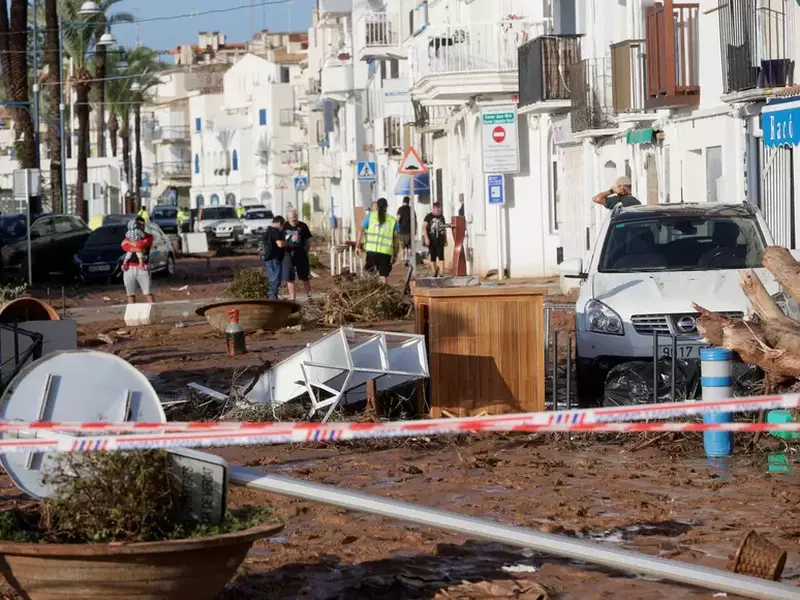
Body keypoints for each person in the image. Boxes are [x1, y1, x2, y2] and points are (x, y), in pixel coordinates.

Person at [357, 197, 399, 284]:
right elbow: (396, 239)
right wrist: (395, 255)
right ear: (386, 207)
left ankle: (370, 293)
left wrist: (357, 245)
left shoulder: (370, 217)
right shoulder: (392, 220)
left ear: (377, 206)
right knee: (383, 276)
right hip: (385, 253)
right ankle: (384, 293)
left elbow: (360, 229)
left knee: (369, 274)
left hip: (371, 251)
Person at [121, 217, 154, 304]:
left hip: (142, 268)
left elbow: (140, 246)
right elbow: (124, 246)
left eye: (143, 225)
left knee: (148, 292)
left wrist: (130, 244)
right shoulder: (129, 235)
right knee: (130, 293)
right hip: (129, 267)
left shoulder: (148, 237)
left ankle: (153, 311)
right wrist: (137, 248)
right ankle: (132, 312)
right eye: (139, 225)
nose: (141, 227)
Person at [282, 208, 313, 301]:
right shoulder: (284, 226)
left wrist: (307, 249)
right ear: (288, 217)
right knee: (289, 276)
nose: (293, 219)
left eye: (294, 217)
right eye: (291, 217)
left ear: (297, 216)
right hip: (287, 253)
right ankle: (292, 298)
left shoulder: (303, 226)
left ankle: (309, 296)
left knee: (305, 276)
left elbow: (308, 239)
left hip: (300, 252)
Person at [259, 216, 286, 299]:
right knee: (276, 279)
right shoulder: (276, 231)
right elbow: (280, 244)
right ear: (279, 223)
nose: (282, 227)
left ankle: (273, 295)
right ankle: (272, 296)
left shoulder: (267, 231)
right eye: (282, 225)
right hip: (275, 259)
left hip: (267, 259)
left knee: (272, 277)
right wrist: (288, 243)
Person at [423, 202, 448, 277]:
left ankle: (441, 273)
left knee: (441, 256)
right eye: (436, 209)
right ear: (433, 208)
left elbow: (444, 228)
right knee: (433, 257)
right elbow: (424, 227)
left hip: (440, 240)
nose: (437, 210)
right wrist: (426, 238)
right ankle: (434, 272)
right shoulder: (428, 216)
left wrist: (445, 239)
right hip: (431, 240)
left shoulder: (442, 217)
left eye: (439, 209)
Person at [396, 196, 414, 266]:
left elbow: (397, 219)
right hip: (410, 231)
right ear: (408, 202)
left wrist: (396, 229)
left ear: (403, 202)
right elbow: (414, 220)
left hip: (402, 231)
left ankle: (403, 261)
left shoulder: (400, 209)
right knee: (409, 247)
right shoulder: (411, 209)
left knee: (402, 247)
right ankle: (409, 260)